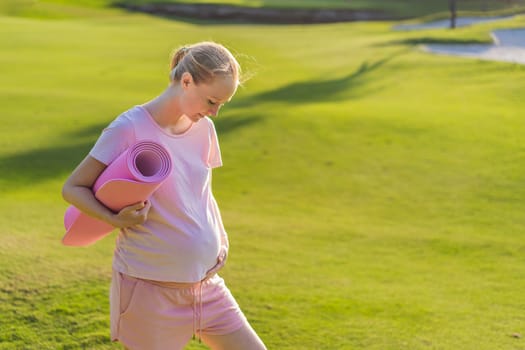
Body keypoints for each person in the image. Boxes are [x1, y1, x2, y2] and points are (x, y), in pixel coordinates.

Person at [62, 41, 267, 350]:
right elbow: (73, 187)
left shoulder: (205, 129)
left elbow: (200, 193)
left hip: (206, 287)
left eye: (221, 104)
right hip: (150, 291)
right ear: (186, 82)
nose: (215, 112)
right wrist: (113, 218)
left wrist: (219, 238)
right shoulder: (129, 127)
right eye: (212, 100)